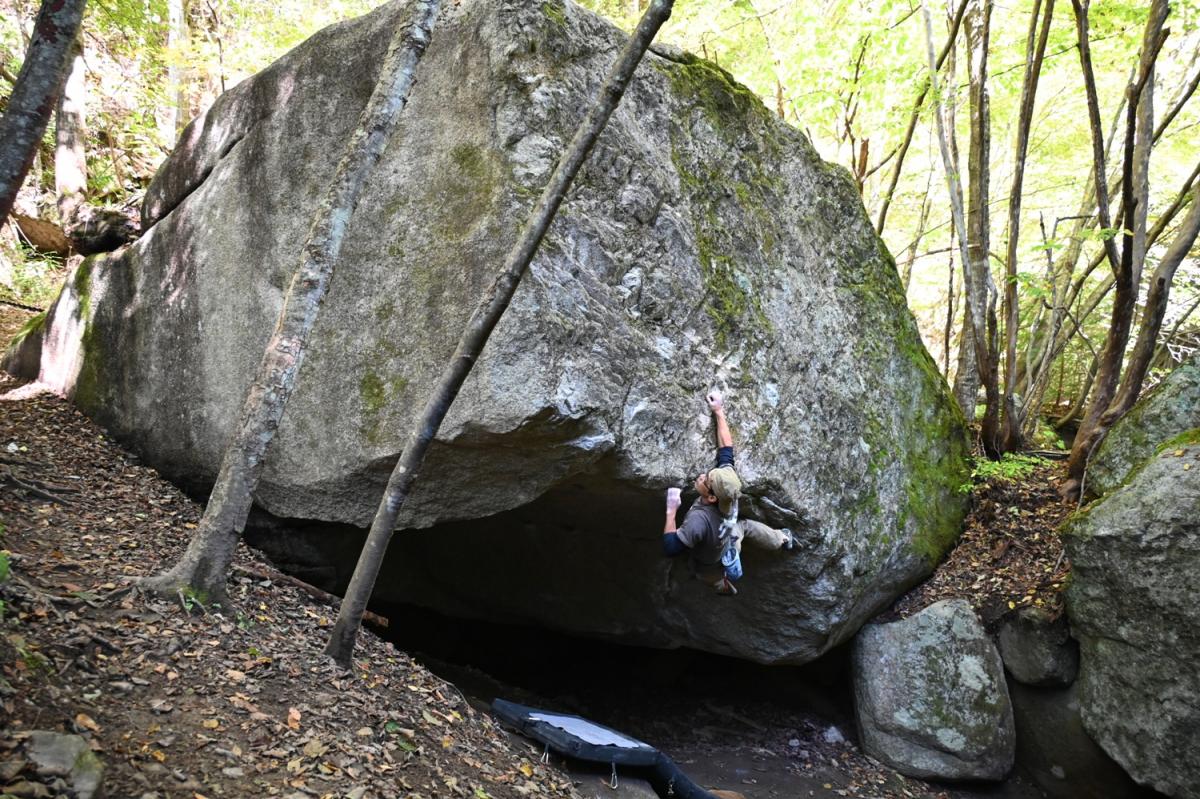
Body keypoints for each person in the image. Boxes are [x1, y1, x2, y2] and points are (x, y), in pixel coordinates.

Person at [662, 389, 796, 595]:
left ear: (712, 497)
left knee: (707, 576)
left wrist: (672, 510)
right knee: (745, 526)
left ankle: (721, 586)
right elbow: (726, 448)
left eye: (705, 479)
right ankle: (782, 539)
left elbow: (671, 548)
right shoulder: (729, 487)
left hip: (708, 564)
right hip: (730, 536)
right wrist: (719, 410)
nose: (702, 476)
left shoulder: (699, 521)